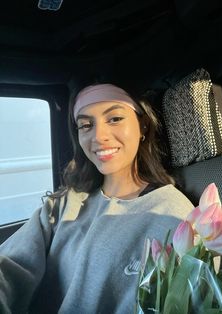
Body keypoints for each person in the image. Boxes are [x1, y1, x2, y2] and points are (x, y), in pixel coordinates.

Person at [0, 83, 193, 313]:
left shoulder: (173, 214)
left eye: (114, 119)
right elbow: (10, 264)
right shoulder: (65, 202)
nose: (99, 136)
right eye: (86, 125)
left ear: (142, 125)